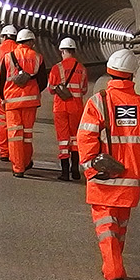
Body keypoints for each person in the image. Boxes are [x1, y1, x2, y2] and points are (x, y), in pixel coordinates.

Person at [76, 48, 140, 280]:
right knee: (120, 227)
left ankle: (114, 270)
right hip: (131, 180)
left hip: (105, 177)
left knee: (105, 226)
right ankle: (112, 264)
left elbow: (86, 137)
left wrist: (89, 168)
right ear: (132, 76)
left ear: (110, 73)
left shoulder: (99, 102)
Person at [0, 29, 46, 177]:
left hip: (12, 102)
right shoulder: (38, 57)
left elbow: (1, 81)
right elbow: (43, 81)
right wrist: (34, 91)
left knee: (14, 135)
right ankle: (26, 162)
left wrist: (3, 97)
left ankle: (18, 167)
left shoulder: (8, 57)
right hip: (30, 102)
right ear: (31, 42)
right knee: (27, 134)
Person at [48, 37, 88, 181]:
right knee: (75, 138)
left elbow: (51, 89)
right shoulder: (82, 69)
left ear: (62, 51)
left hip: (60, 108)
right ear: (74, 51)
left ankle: (65, 172)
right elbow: (84, 89)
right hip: (76, 107)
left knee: (63, 139)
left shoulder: (56, 68)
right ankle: (75, 169)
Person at [0, 24, 19, 161]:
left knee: (2, 122)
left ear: (2, 36)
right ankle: (16, 153)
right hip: (16, 90)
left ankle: (4, 152)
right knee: (15, 123)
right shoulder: (20, 50)